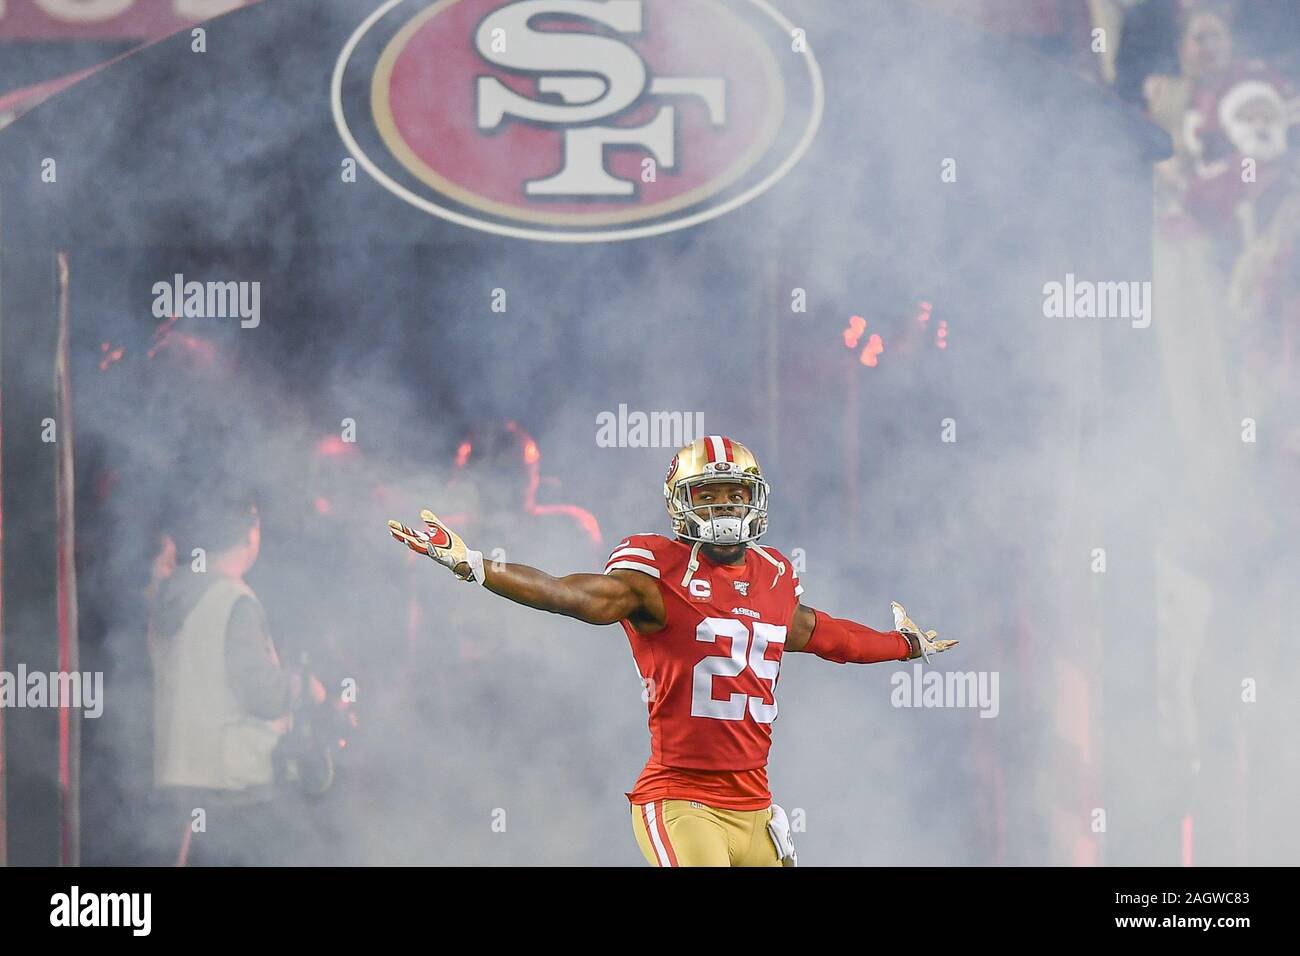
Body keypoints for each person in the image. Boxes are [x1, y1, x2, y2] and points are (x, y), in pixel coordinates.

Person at [387, 435, 956, 867]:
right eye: (709, 494)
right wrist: (479, 567)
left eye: (737, 493)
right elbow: (568, 594)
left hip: (755, 806)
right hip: (682, 801)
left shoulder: (776, 576)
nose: (727, 506)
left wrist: (904, 645)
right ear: (682, 503)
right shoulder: (657, 576)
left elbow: (829, 636)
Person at [149, 488, 324, 865]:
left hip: (184, 777)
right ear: (250, 534)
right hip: (235, 785)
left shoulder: (176, 592)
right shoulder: (231, 598)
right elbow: (259, 691)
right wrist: (302, 687)